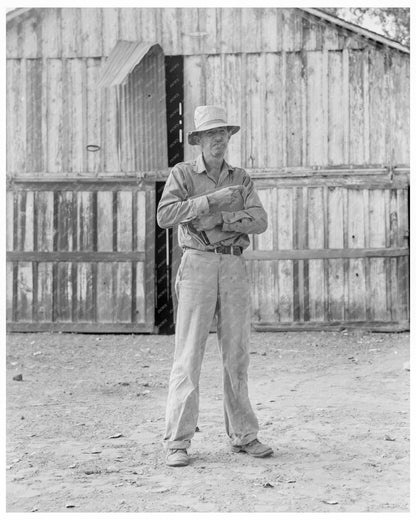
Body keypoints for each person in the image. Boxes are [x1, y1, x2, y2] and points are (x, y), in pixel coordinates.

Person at [157, 105, 273, 467]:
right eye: (211, 134)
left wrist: (220, 218)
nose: (219, 139)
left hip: (234, 265)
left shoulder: (241, 177)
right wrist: (207, 201)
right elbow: (165, 215)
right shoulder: (183, 174)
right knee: (189, 354)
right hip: (198, 266)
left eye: (223, 133)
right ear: (199, 139)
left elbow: (260, 221)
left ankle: (244, 435)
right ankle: (177, 442)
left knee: (237, 354)